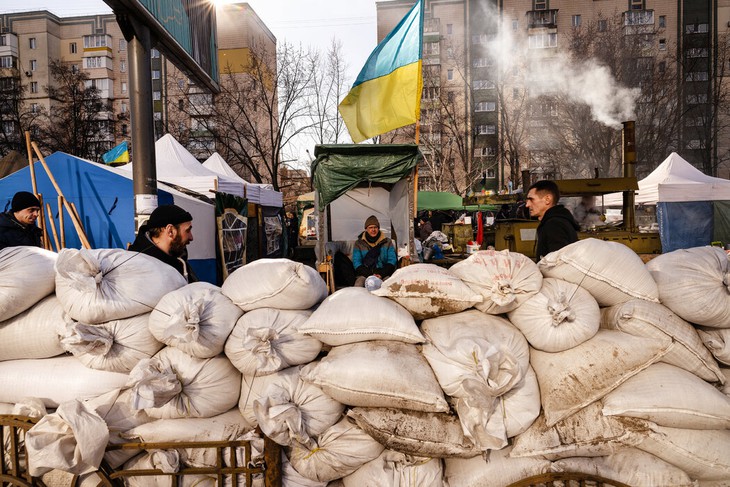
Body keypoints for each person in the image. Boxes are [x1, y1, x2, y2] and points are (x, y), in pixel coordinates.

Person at [128, 204, 198, 282]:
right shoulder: (137, 267)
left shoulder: (179, 260)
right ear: (170, 230)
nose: (191, 237)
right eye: (187, 230)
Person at [525, 180, 579, 259]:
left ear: (547, 199)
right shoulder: (557, 221)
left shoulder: (554, 225)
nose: (527, 205)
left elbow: (557, 263)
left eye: (531, 199)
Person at [352, 215, 397, 287]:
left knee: (390, 285)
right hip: (365, 274)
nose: (373, 230)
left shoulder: (387, 242)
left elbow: (392, 260)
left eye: (375, 227)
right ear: (366, 229)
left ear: (378, 228)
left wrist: (381, 274)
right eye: (370, 227)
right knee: (359, 284)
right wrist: (370, 275)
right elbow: (356, 262)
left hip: (383, 273)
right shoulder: (359, 243)